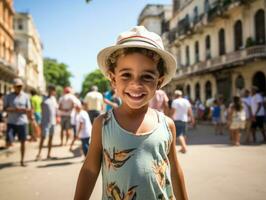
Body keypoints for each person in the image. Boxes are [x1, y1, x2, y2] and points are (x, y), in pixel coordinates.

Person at [74, 26, 188, 200]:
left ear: (159, 82)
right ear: (113, 79)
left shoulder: (167, 125)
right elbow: (89, 170)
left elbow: (175, 170)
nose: (136, 85)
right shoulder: (103, 124)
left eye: (147, 76)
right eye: (126, 75)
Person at [4, 78, 31, 166]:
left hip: (22, 122)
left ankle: (22, 160)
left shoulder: (26, 96)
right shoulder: (8, 96)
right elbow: (5, 108)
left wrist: (25, 110)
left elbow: (29, 109)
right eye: (17, 86)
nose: (19, 88)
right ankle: (8, 153)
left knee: (23, 141)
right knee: (9, 141)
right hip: (11, 122)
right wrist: (14, 109)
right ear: (14, 87)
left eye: (20, 86)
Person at [36, 85, 58, 160]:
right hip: (45, 122)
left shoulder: (54, 99)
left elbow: (55, 110)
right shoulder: (43, 98)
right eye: (51, 89)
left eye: (53, 90)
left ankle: (49, 154)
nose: (52, 91)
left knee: (51, 138)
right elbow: (40, 108)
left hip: (53, 122)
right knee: (43, 138)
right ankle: (39, 154)